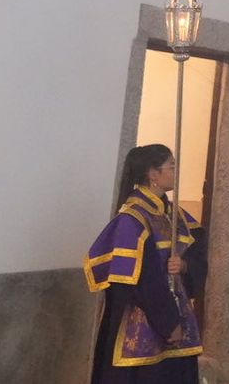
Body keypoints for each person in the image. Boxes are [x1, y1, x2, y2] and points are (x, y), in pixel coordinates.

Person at [85, 144, 205, 382]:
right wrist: (168, 322)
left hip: (176, 312)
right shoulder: (132, 219)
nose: (176, 172)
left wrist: (184, 265)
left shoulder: (175, 215)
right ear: (153, 174)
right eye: (172, 166)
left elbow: (199, 250)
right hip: (140, 320)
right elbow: (139, 279)